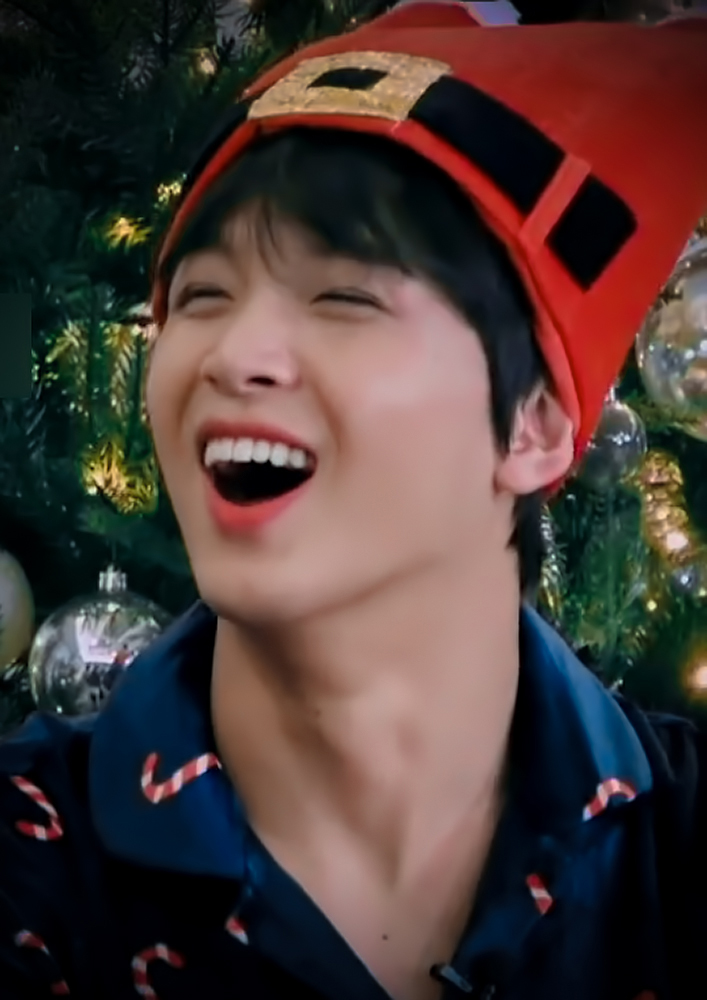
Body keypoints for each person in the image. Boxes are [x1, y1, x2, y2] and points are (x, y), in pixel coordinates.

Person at [1, 3, 707, 999]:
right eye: (200, 296)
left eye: (343, 298)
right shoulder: (27, 859)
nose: (232, 355)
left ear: (534, 426)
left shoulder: (679, 847)